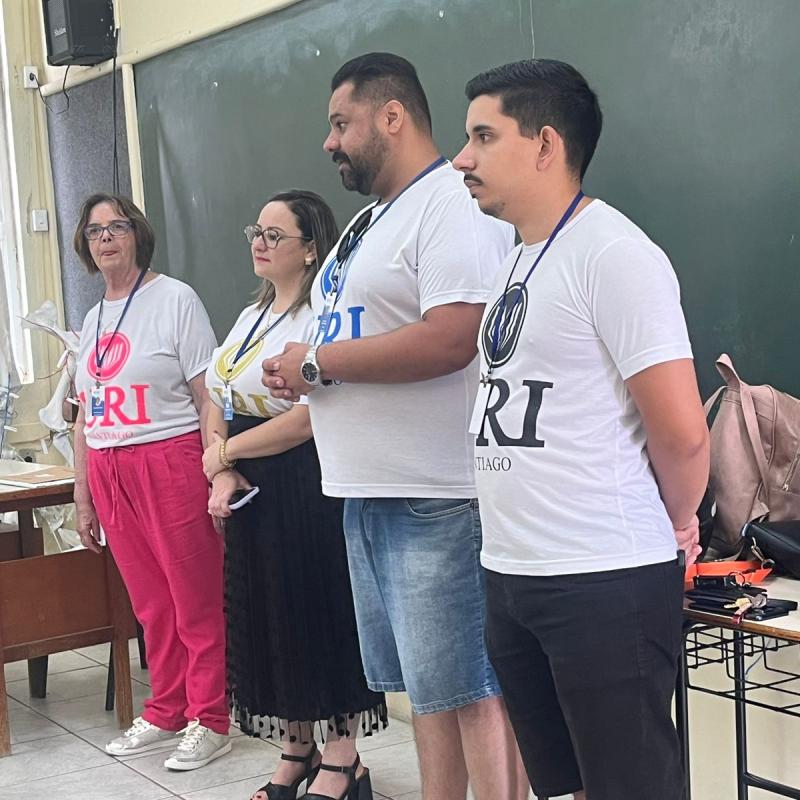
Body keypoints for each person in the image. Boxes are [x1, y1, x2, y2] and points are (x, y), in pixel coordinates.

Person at [263, 54, 528, 800]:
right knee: (426, 694)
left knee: (474, 693)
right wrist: (306, 365)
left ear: (392, 116)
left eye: (340, 124)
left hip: (435, 497)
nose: (329, 143)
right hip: (369, 494)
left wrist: (315, 364)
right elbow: (351, 337)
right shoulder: (370, 219)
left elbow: (455, 336)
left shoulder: (449, 205)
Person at [452, 59, 709, 800]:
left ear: (545, 145)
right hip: (512, 572)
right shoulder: (519, 257)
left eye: (483, 136)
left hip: (602, 577)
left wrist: (677, 521)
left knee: (630, 786)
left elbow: (684, 432)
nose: (462, 159)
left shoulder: (616, 254)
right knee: (564, 785)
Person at [203, 190, 386, 800]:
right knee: (273, 618)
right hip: (250, 486)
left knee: (318, 614)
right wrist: (222, 469)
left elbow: (311, 418)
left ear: (310, 249)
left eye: (274, 235)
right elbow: (216, 395)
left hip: (306, 483)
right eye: (255, 231)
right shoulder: (250, 314)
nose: (259, 243)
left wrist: (225, 455)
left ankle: (343, 760)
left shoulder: (321, 318)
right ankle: (296, 749)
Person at [72, 193, 231, 770]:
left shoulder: (175, 299)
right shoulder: (93, 317)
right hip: (109, 466)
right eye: (94, 231)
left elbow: (207, 394)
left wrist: (217, 465)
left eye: (116, 227)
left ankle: (211, 717)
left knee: (194, 595)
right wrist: (83, 493)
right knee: (151, 603)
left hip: (168, 457)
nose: (106, 238)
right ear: (85, 246)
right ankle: (168, 707)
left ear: (137, 234)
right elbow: (84, 416)